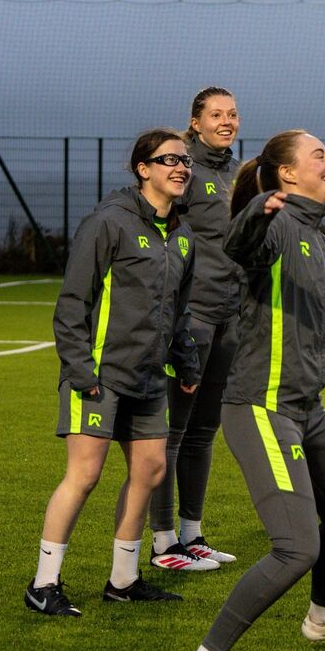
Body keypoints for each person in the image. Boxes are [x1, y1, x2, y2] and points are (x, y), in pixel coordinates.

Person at [177, 130, 325, 651]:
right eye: (320, 155)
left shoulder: (317, 240)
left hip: (305, 410)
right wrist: (257, 211)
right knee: (297, 546)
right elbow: (240, 245)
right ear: (287, 174)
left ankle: (323, 616)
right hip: (261, 408)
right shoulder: (273, 226)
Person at [27, 128, 200, 617]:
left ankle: (123, 581)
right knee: (84, 476)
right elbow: (72, 304)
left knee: (149, 470)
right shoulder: (109, 222)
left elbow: (180, 311)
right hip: (100, 376)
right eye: (168, 160)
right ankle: (43, 584)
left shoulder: (184, 237)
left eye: (184, 160)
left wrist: (186, 362)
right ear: (143, 169)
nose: (180, 167)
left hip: (150, 379)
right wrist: (81, 371)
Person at [149, 87, 242, 572]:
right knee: (171, 431)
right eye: (216, 114)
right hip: (192, 317)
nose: (226, 121)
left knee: (205, 429)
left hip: (230, 317)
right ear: (196, 121)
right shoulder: (183, 170)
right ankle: (163, 544)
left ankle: (192, 534)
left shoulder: (240, 172)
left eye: (232, 114)